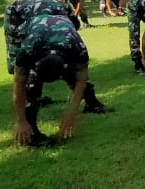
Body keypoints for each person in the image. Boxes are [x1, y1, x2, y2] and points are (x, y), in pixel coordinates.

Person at [12, 14, 108, 147]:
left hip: (63, 32)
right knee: (31, 85)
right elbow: (19, 83)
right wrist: (21, 120)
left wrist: (71, 113)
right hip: (31, 26)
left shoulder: (77, 47)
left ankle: (91, 103)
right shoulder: (28, 50)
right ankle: (31, 130)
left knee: (74, 76)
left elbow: (81, 80)